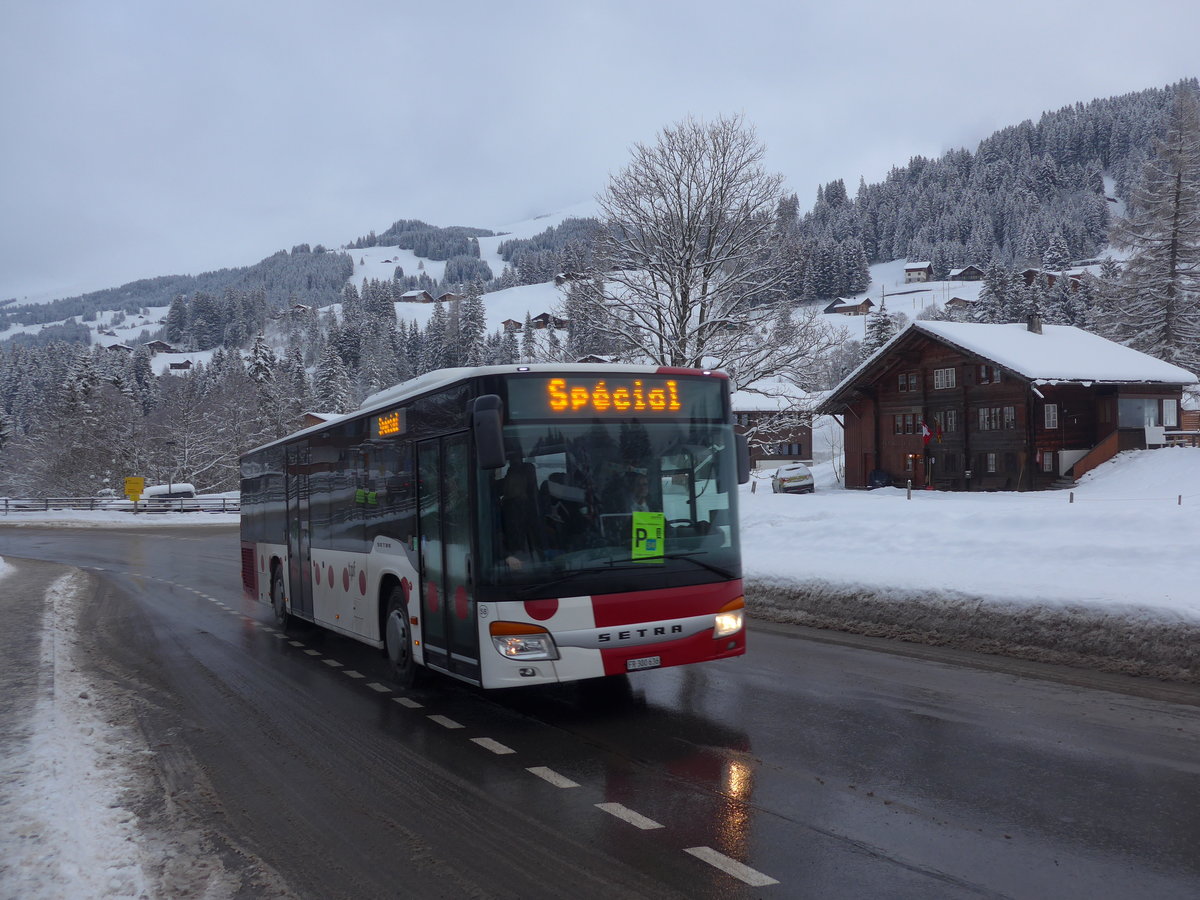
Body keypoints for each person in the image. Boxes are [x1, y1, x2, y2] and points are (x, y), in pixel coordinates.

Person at [498, 461, 543, 570]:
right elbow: (498, 536)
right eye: (513, 482)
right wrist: (507, 556)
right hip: (518, 559)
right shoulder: (505, 508)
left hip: (527, 556)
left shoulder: (532, 504)